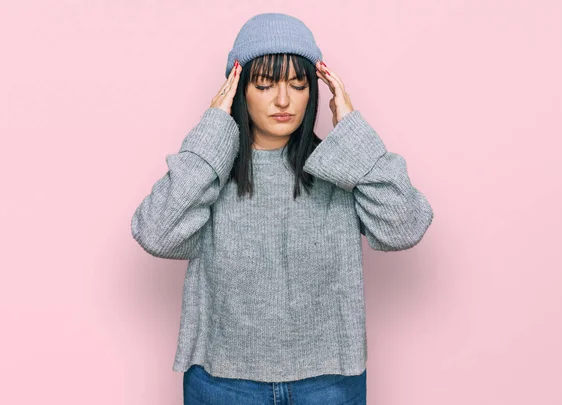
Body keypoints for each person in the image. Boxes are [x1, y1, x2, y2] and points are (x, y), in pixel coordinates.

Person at [130, 12, 434, 404]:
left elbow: (405, 226)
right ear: (238, 89)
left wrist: (352, 131)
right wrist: (212, 130)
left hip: (329, 380)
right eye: (264, 84)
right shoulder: (210, 172)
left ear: (315, 91)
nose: (283, 100)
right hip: (223, 380)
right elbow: (156, 232)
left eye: (298, 84)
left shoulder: (341, 165)